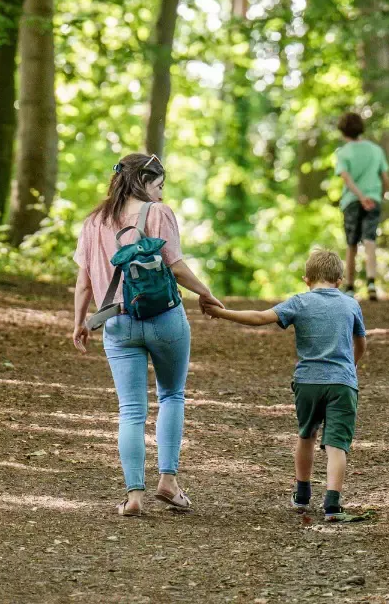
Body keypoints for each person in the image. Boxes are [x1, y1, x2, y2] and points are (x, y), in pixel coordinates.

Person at [71, 152, 221, 517]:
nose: (162, 193)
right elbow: (176, 264)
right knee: (171, 395)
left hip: (117, 323)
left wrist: (78, 322)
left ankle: (134, 495)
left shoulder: (94, 222)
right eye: (159, 185)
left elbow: (84, 282)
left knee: (131, 410)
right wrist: (205, 292)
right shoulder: (158, 214)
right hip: (165, 318)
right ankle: (168, 482)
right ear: (144, 181)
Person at [203, 248, 366, 521]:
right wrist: (351, 367)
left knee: (307, 435)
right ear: (339, 279)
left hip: (307, 382)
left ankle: (302, 495)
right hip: (342, 383)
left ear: (306, 279)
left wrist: (222, 313)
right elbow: (360, 343)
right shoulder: (351, 304)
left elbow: (259, 318)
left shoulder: (299, 303)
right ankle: (332, 505)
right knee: (337, 444)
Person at [335, 111, 389, 301]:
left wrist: (359, 197)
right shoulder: (376, 150)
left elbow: (346, 178)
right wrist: (377, 197)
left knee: (351, 244)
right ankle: (372, 283)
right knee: (370, 240)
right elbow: (386, 179)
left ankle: (350, 287)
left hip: (351, 201)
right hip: (373, 200)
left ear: (343, 132)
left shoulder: (343, 152)